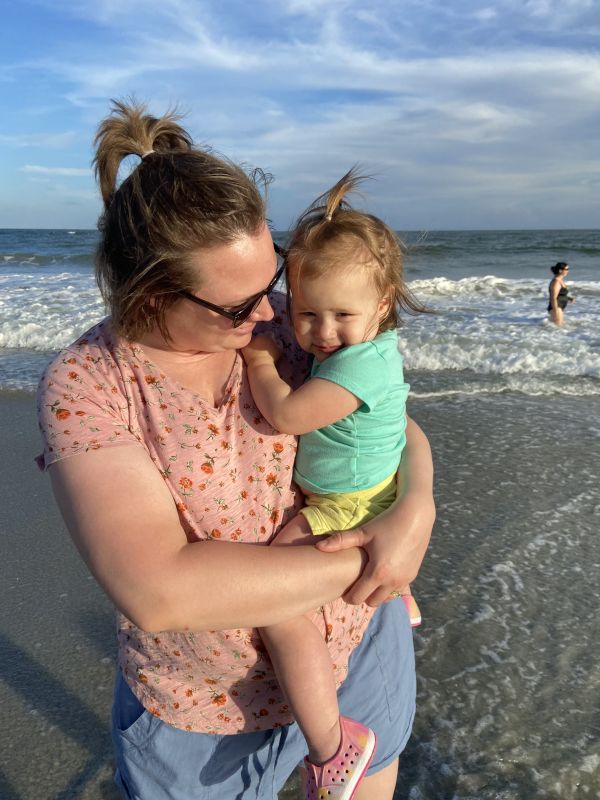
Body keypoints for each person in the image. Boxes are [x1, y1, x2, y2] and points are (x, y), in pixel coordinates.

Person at [36, 100, 435, 800]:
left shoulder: (286, 325)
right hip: (209, 707)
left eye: (270, 282)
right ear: (149, 290)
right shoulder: (90, 385)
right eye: (235, 306)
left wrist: (418, 512)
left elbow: (388, 422)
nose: (265, 315)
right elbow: (158, 592)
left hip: (359, 639)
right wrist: (378, 559)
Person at [242, 170, 427, 799]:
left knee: (276, 596)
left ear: (383, 303)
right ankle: (396, 590)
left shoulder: (354, 366)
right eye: (306, 314)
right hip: (371, 487)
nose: (323, 332)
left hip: (348, 502)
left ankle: (330, 743)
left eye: (342, 315)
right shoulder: (365, 349)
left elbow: (287, 415)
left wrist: (261, 359)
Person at [548, 261, 574, 326]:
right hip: (556, 307)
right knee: (558, 327)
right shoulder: (556, 281)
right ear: (560, 270)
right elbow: (553, 298)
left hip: (560, 306)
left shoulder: (560, 280)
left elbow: (560, 294)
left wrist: (569, 298)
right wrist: (556, 310)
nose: (568, 271)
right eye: (566, 269)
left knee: (560, 326)